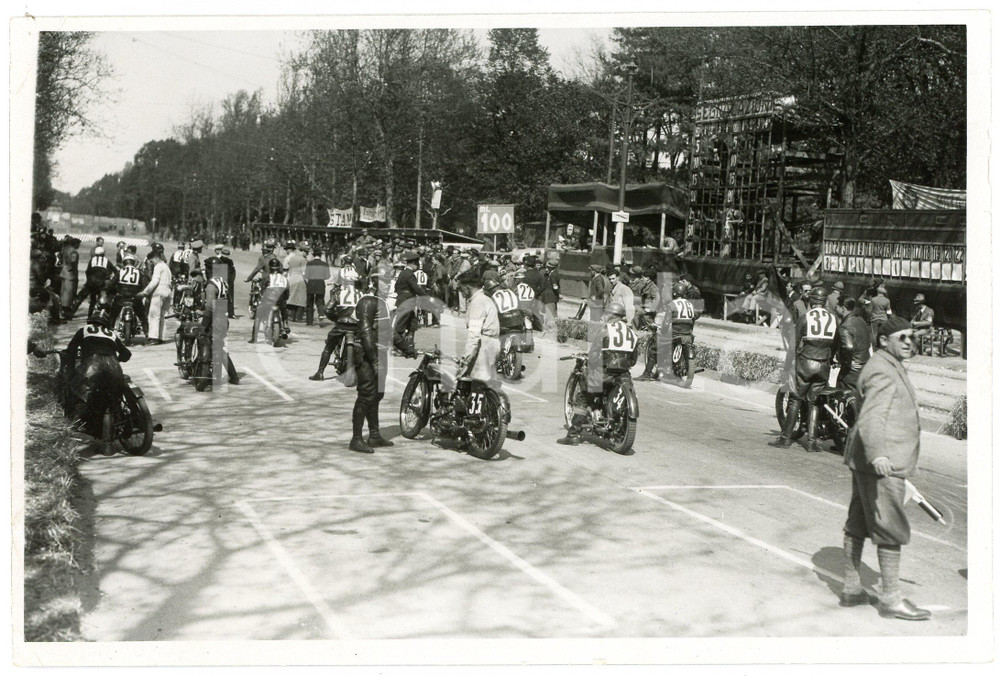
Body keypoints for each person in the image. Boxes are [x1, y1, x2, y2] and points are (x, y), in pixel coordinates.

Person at [840, 316, 930, 621]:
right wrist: (879, 454)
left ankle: (852, 588)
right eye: (901, 337)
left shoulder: (887, 364)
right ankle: (891, 598)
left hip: (867, 458)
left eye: (911, 337)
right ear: (883, 340)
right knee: (890, 526)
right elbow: (873, 417)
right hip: (882, 461)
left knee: (858, 522)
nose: (908, 342)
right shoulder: (882, 369)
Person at [558, 301, 639, 445]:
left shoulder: (605, 330)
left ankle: (573, 434)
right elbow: (633, 360)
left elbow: (594, 355)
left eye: (606, 313)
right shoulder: (633, 334)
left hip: (604, 373)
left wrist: (590, 364)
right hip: (623, 375)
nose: (604, 316)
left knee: (583, 398)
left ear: (612, 315)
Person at [772, 286, 840, 452]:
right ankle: (811, 441)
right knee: (814, 402)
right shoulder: (833, 319)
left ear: (811, 301)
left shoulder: (806, 317)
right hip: (823, 363)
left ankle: (785, 438)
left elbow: (793, 345)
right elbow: (836, 344)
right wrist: (830, 358)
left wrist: (787, 366)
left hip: (806, 362)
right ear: (824, 302)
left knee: (795, 399)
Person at [64, 308, 132, 448]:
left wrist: (70, 372)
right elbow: (127, 354)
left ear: (91, 320)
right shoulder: (112, 334)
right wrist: (115, 357)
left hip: (92, 366)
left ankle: (80, 423)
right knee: (113, 394)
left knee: (76, 389)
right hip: (114, 366)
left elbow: (71, 351)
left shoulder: (84, 330)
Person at [348, 270, 394, 454]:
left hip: (379, 353)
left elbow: (387, 330)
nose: (388, 285)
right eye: (384, 281)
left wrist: (407, 348)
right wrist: (375, 361)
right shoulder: (368, 301)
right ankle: (356, 439)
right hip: (367, 355)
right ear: (374, 283)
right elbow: (366, 331)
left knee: (377, 395)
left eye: (389, 281)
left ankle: (374, 435)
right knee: (366, 394)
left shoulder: (381, 302)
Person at [639, 281, 699, 382]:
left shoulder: (672, 304)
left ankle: (646, 374)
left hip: (675, 333)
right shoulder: (690, 304)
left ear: (674, 293)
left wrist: (662, 330)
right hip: (687, 334)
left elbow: (666, 323)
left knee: (655, 348)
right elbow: (694, 317)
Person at [309, 276, 362, 381]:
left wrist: (336, 319)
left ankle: (320, 372)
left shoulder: (338, 293)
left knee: (329, 347)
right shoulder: (361, 294)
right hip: (356, 326)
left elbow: (327, 310)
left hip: (341, 325)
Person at [457, 270, 500, 385]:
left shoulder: (478, 302)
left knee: (478, 384)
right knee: (487, 382)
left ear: (468, 287)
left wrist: (465, 359)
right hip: (491, 343)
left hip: (484, 346)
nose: (461, 292)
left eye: (461, 289)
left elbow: (474, 335)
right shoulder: (484, 299)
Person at [200, 273, 240, 386]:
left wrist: (204, 325)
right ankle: (229, 376)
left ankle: (225, 376)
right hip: (223, 318)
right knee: (217, 347)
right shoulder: (223, 282)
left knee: (214, 347)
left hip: (216, 319)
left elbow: (210, 307)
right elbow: (229, 301)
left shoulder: (211, 285)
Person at [392, 252, 428, 358]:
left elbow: (396, 287)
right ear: (413, 263)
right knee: (400, 327)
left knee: (412, 324)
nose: (417, 266)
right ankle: (396, 348)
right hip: (407, 302)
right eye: (417, 264)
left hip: (404, 300)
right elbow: (416, 288)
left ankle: (409, 346)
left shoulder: (403, 273)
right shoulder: (409, 274)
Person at [248, 258, 289, 344]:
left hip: (269, 299)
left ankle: (254, 338)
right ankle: (285, 324)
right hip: (280, 299)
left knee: (258, 317)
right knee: (284, 309)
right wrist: (284, 299)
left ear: (270, 268)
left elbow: (262, 290)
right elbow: (287, 291)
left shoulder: (267, 277)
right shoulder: (284, 278)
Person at [136, 247, 172, 345]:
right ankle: (161, 337)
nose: (152, 263)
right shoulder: (166, 267)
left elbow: (155, 281)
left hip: (160, 290)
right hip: (168, 291)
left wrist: (145, 292)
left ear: (155, 258)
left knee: (153, 315)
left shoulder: (158, 266)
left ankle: (153, 338)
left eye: (152, 261)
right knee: (163, 316)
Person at [836, 298, 871, 393]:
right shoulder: (861, 320)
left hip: (852, 370)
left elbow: (848, 346)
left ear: (843, 308)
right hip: (864, 364)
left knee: (846, 395)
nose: (835, 309)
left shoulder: (845, 326)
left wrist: (848, 362)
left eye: (836, 306)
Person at [70, 245, 116, 320]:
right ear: (103, 253)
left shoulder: (92, 260)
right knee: (104, 297)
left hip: (91, 282)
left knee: (81, 296)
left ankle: (71, 313)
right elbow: (115, 271)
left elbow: (87, 271)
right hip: (101, 282)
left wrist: (88, 281)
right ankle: (104, 314)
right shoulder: (107, 261)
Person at [108, 253, 149, 336]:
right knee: (143, 316)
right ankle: (147, 332)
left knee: (112, 315)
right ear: (133, 263)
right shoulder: (139, 272)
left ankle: (109, 331)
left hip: (121, 297)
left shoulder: (120, 271)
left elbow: (111, 284)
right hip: (135, 298)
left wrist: (112, 292)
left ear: (124, 262)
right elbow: (145, 286)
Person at [628, 266, 660, 331]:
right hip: (644, 312)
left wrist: (651, 309)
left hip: (648, 314)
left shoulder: (653, 287)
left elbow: (657, 299)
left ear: (647, 278)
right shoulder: (646, 286)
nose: (642, 279)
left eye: (643, 278)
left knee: (650, 329)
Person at [305, 248, 331, 326]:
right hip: (320, 284)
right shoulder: (325, 264)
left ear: (313, 255)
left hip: (311, 284)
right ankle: (321, 316)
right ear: (320, 255)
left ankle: (309, 321)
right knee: (320, 302)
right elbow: (327, 276)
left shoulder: (309, 263)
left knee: (310, 302)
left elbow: (306, 275)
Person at [285, 241, 309, 322]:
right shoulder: (303, 260)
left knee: (293, 297)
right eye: (306, 252)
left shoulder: (293, 258)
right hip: (300, 279)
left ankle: (292, 316)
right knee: (301, 298)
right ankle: (299, 317)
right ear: (303, 251)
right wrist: (308, 282)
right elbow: (304, 272)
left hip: (292, 278)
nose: (307, 254)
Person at [59, 237, 80, 320]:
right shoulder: (74, 251)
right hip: (70, 274)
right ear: (75, 244)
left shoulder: (65, 249)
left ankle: (63, 310)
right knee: (69, 294)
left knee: (64, 292)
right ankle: (67, 312)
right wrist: (70, 268)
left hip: (64, 272)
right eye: (78, 244)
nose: (79, 246)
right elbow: (73, 261)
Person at [539, 258, 561, 333]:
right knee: (552, 311)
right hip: (551, 296)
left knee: (550, 312)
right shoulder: (553, 273)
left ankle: (551, 328)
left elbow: (555, 286)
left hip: (550, 296)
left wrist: (558, 293)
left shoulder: (553, 275)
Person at [220, 248, 237, 318]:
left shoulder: (230, 261)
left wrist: (232, 280)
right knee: (221, 296)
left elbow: (233, 271)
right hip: (221, 281)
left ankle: (231, 313)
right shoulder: (218, 261)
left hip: (229, 281)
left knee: (230, 297)